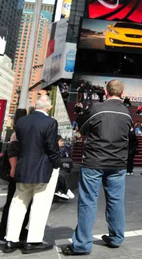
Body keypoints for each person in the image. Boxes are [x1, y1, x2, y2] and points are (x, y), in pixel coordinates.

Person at [62, 79, 132, 256]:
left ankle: (82, 245)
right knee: (116, 201)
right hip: (118, 164)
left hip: (94, 161)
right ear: (121, 93)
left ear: (106, 92)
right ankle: (116, 238)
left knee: (88, 202)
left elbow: (82, 130)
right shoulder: (127, 113)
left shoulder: (96, 109)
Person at [3, 95, 61, 254]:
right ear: (48, 107)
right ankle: (33, 241)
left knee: (18, 203)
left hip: (23, 167)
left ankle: (10, 240)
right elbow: (52, 147)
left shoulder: (21, 122)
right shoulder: (50, 122)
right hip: (43, 168)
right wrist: (57, 163)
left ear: (35, 105)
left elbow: (17, 144)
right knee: (40, 204)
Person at [0, 133, 31, 245]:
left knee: (13, 201)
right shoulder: (22, 130)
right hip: (19, 171)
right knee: (18, 202)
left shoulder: (21, 128)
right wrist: (14, 167)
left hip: (17, 171)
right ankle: (13, 231)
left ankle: (7, 230)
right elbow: (13, 148)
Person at [55, 136, 75, 200]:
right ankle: (66, 190)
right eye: (60, 141)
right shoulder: (54, 150)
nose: (62, 142)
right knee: (59, 174)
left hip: (58, 167)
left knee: (63, 173)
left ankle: (61, 191)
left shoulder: (63, 149)